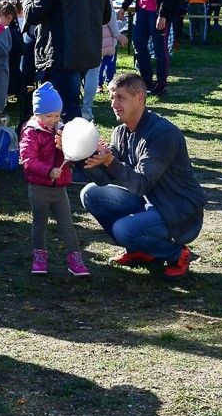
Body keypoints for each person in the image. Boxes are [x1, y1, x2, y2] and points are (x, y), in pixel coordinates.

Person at [79, 72, 205, 278]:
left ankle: (177, 253)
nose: (114, 104)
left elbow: (141, 185)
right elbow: (103, 180)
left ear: (140, 98)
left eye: (120, 97)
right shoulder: (120, 132)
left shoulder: (163, 134)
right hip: (148, 203)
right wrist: (83, 154)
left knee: (124, 230)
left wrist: (110, 161)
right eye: (112, 97)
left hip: (178, 212)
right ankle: (140, 250)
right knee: (90, 194)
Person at [24, 0, 112, 120]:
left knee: (64, 110)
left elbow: (32, 15)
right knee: (71, 104)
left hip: (62, 56)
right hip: (87, 52)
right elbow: (105, 17)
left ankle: (73, 148)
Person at [19, 83, 90, 277]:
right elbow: (27, 159)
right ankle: (39, 255)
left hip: (60, 189)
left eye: (57, 115)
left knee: (67, 225)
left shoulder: (63, 130)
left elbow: (73, 152)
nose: (53, 120)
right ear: (37, 115)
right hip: (39, 188)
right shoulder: (31, 132)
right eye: (48, 116)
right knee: (40, 223)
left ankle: (74, 257)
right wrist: (48, 171)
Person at [0, 0, 27, 124]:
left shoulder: (9, 33)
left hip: (9, 79)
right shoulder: (14, 31)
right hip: (14, 77)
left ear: (8, 18)